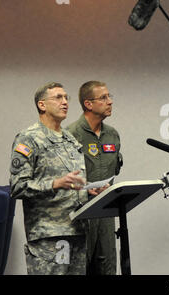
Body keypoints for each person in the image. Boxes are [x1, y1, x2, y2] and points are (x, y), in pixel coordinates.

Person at [10, 82, 106, 275]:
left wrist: (88, 190)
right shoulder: (28, 138)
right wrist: (55, 184)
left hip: (77, 230)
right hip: (49, 235)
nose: (65, 102)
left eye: (66, 98)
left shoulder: (70, 140)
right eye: (58, 97)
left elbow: (72, 184)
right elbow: (17, 187)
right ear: (42, 105)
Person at [67, 81, 122, 275]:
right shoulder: (70, 134)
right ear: (88, 104)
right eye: (104, 98)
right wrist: (84, 189)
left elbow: (114, 169)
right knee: (79, 267)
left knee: (107, 266)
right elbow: (63, 177)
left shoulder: (112, 135)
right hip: (80, 213)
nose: (110, 102)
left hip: (106, 212)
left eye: (110, 97)